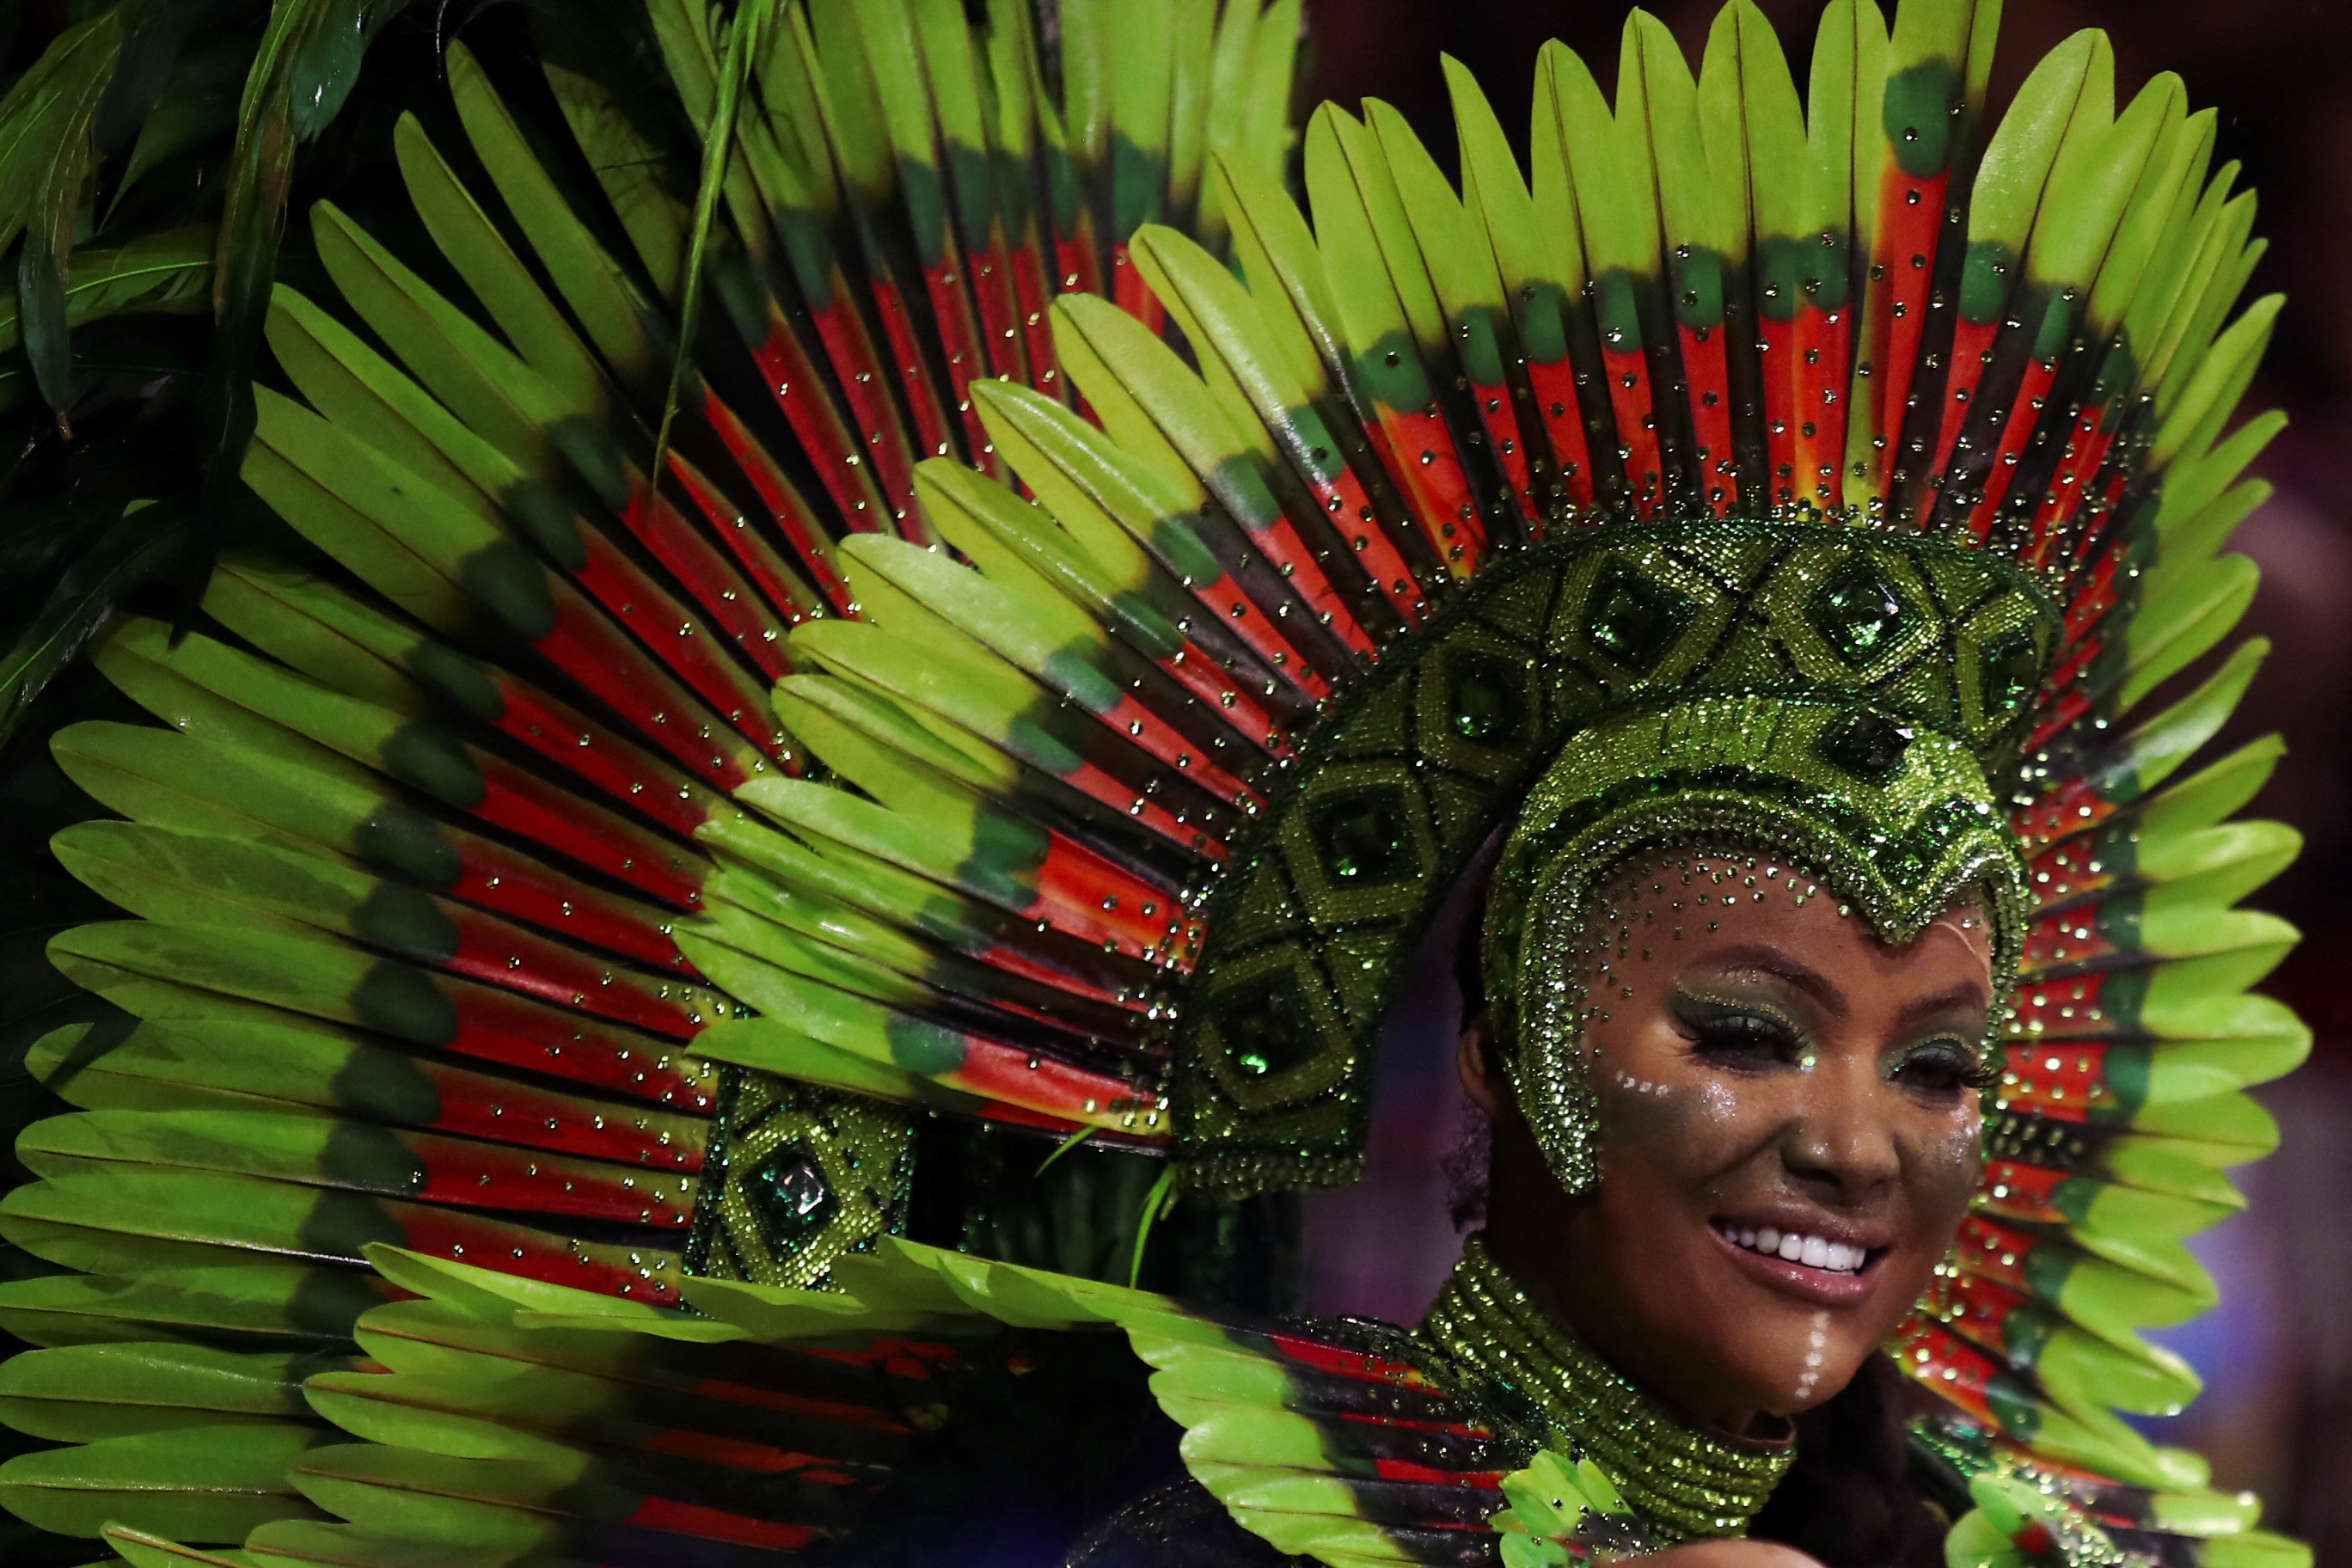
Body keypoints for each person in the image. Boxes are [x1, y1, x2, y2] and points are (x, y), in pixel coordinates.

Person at [0, 0, 2308, 1564]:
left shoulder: (2057, 1524)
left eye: (1941, 1063)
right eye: (1742, 1025)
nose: (1857, 1140)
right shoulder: (1123, 1505)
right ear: (1511, 1058)